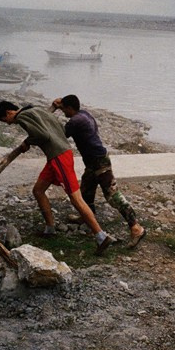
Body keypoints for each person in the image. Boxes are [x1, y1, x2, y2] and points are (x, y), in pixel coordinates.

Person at [0, 100, 114, 254]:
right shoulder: (35, 109)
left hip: (59, 157)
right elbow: (56, 126)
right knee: (38, 190)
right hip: (56, 156)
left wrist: (28, 142)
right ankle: (50, 229)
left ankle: (101, 236)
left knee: (75, 198)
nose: (9, 124)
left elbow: (42, 135)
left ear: (9, 113)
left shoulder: (22, 117)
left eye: (6, 121)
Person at [51, 95, 147, 248]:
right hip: (93, 161)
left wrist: (55, 108)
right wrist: (60, 105)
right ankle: (86, 217)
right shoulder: (85, 114)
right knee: (86, 191)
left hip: (99, 161)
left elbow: (58, 134)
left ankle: (136, 227)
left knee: (112, 195)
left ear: (69, 108)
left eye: (64, 109)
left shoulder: (75, 121)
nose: (64, 113)